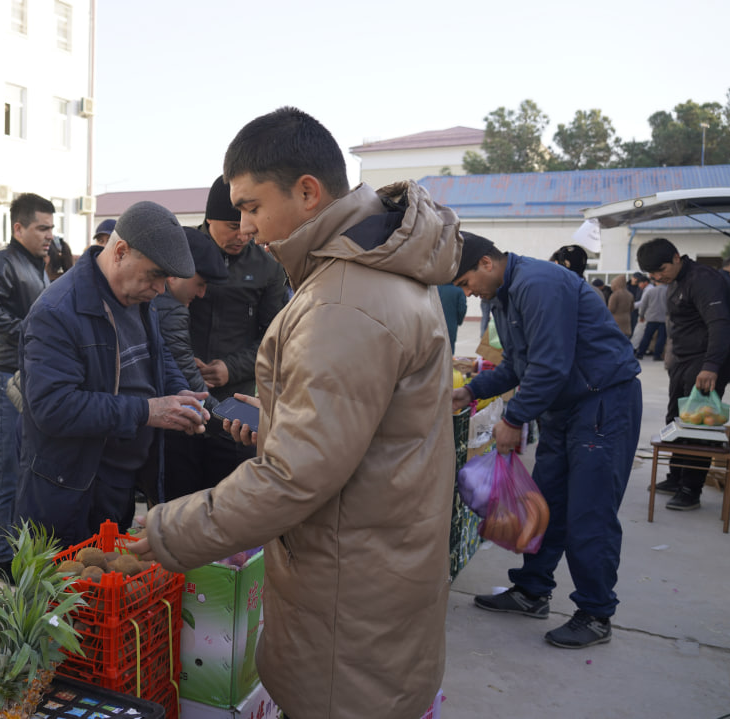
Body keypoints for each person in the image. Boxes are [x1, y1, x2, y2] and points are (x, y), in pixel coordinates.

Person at [133, 107, 460, 719]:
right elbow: (362, 433)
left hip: (348, 604)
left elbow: (294, 476)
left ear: (307, 193)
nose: (246, 226)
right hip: (376, 574)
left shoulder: (345, 299)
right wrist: (281, 415)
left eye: (252, 207)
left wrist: (165, 530)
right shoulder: (374, 276)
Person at [452, 232, 642, 651]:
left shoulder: (539, 283)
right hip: (565, 406)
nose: (467, 294)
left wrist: (514, 418)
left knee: (589, 511)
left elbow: (550, 364)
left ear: (486, 263)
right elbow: (519, 365)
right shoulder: (502, 296)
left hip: (601, 402)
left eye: (466, 283)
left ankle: (595, 614)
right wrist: (471, 390)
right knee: (547, 502)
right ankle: (532, 590)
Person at [15, 201, 207, 546]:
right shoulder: (57, 312)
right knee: (72, 595)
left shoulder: (139, 296)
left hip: (119, 483)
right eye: (155, 275)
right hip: (71, 490)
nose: (161, 289)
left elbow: (158, 354)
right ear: (120, 252)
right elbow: (53, 407)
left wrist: (180, 394)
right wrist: (148, 411)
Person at [170, 176, 289, 490]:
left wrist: (231, 368)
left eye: (245, 224)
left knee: (228, 500)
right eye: (230, 226)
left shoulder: (268, 267)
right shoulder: (181, 253)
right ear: (209, 218)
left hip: (234, 404)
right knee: (177, 498)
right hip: (180, 400)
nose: (241, 235)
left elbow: (273, 339)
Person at [0, 192, 54, 582]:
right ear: (18, 228)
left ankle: (10, 544)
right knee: (4, 472)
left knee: (21, 470)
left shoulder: (37, 265)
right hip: (3, 377)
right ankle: (3, 559)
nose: (49, 234)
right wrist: (30, 332)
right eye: (42, 227)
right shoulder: (3, 260)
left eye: (51, 227)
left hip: (24, 376)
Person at [638, 238, 730, 511]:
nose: (658, 277)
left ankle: (690, 489)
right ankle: (676, 476)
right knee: (676, 421)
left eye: (661, 270)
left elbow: (720, 324)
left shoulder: (703, 279)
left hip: (704, 363)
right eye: (653, 274)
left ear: (677, 257)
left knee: (697, 426)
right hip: (683, 361)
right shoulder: (676, 282)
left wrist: (711, 366)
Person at [151, 226, 229, 501]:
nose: (202, 294)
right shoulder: (170, 309)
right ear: (175, 274)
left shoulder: (159, 304)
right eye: (200, 283)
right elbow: (188, 383)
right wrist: (230, 422)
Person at [634, 277, 667, 360]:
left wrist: (641, 316)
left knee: (647, 336)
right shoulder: (668, 291)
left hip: (651, 317)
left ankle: (640, 353)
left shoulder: (651, 291)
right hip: (663, 318)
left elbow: (644, 305)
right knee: (661, 338)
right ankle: (657, 355)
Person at [437, 283, 467, 354]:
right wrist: (458, 321)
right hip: (450, 325)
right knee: (449, 352)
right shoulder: (459, 290)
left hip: (435, 325)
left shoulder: (435, 289)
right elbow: (462, 309)